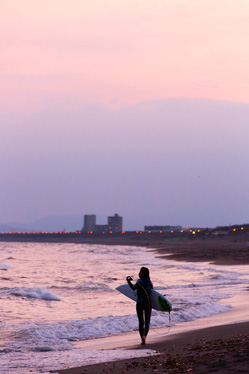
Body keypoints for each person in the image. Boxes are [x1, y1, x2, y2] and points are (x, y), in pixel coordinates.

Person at [126, 267, 153, 345]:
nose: (139, 273)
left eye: (140, 272)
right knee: (147, 322)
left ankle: (142, 338)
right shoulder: (150, 282)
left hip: (140, 303)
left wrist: (128, 281)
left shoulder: (139, 282)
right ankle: (145, 336)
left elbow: (133, 288)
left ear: (143, 273)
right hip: (148, 303)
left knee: (141, 322)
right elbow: (152, 293)